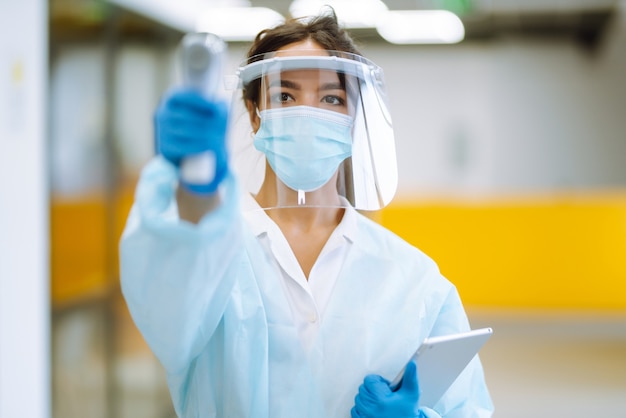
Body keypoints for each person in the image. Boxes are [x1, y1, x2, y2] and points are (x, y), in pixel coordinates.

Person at [120, 10, 494, 418]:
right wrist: (190, 188)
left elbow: (465, 408)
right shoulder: (206, 249)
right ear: (254, 113)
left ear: (354, 119)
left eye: (331, 98)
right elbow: (166, 313)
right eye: (285, 95)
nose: (306, 113)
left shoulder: (415, 283)